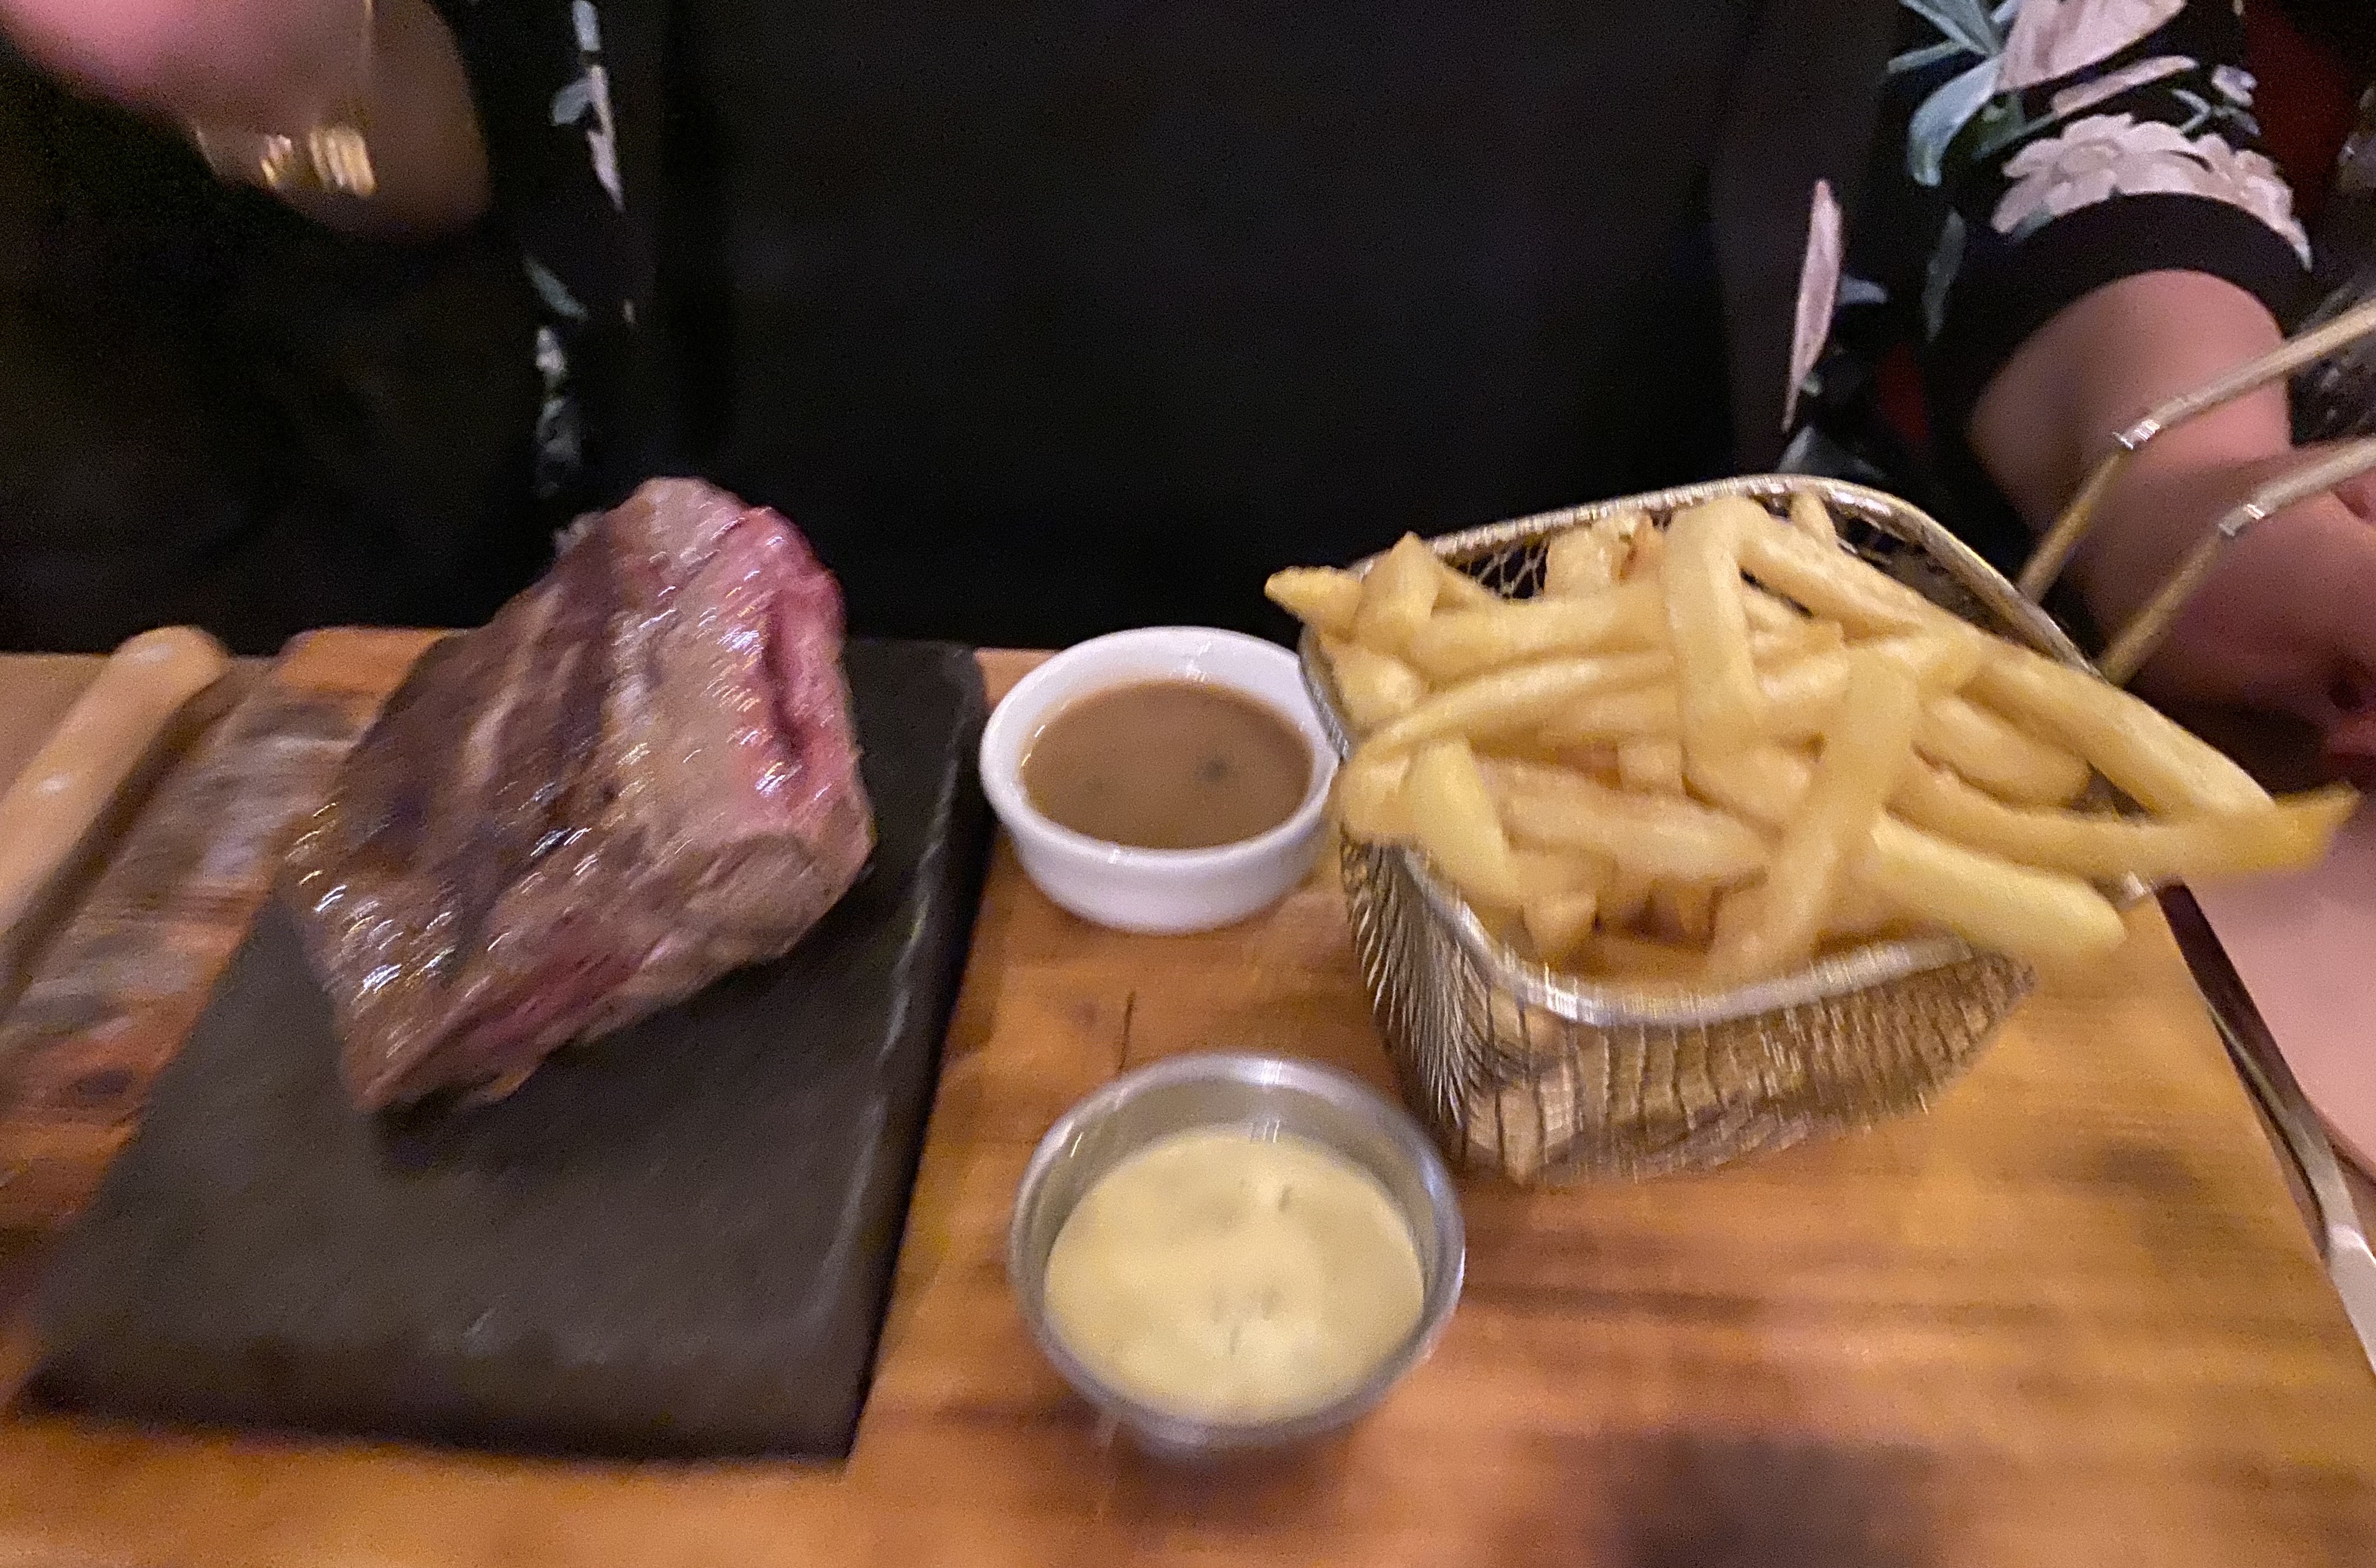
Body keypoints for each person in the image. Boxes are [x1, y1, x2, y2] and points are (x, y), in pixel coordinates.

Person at [1, 0, 2371, 768]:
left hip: (1632, 787)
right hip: (756, 782)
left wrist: (2185, 479)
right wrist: (279, 79)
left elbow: (2062, 91)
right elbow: (475, 109)